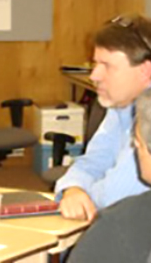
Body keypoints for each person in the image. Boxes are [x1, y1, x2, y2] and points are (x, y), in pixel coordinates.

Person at [55, 14, 151, 221]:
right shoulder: (121, 105)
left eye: (106, 65)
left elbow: (112, 198)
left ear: (145, 71)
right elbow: (92, 161)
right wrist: (73, 189)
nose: (94, 75)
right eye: (95, 63)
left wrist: (80, 194)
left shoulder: (147, 117)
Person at [67, 88, 151, 263]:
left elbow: (108, 197)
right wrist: (74, 188)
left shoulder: (122, 224)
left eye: (137, 141)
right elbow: (91, 162)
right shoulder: (118, 110)